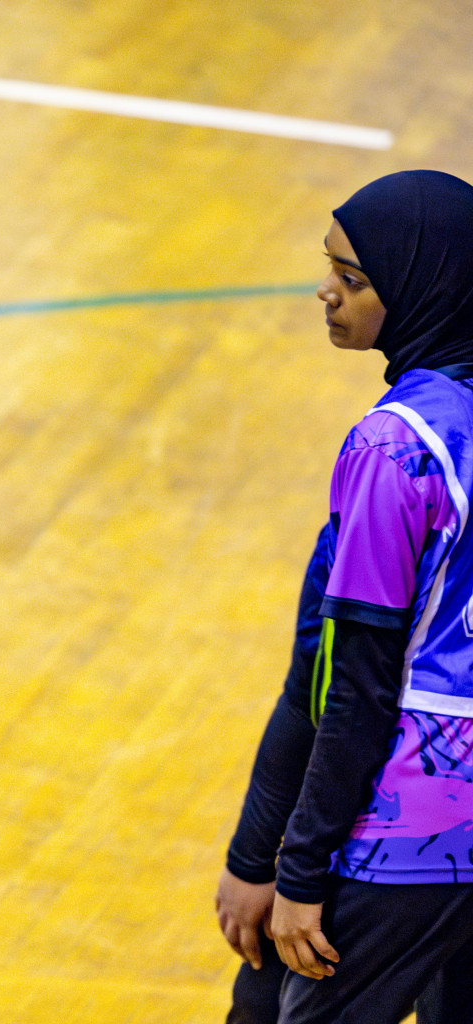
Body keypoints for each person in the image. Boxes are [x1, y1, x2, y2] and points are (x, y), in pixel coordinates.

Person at [219, 169, 473, 1024]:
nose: (325, 292)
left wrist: (290, 871)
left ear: (418, 286)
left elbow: (348, 683)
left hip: (416, 819)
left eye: (354, 279)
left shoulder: (392, 448)